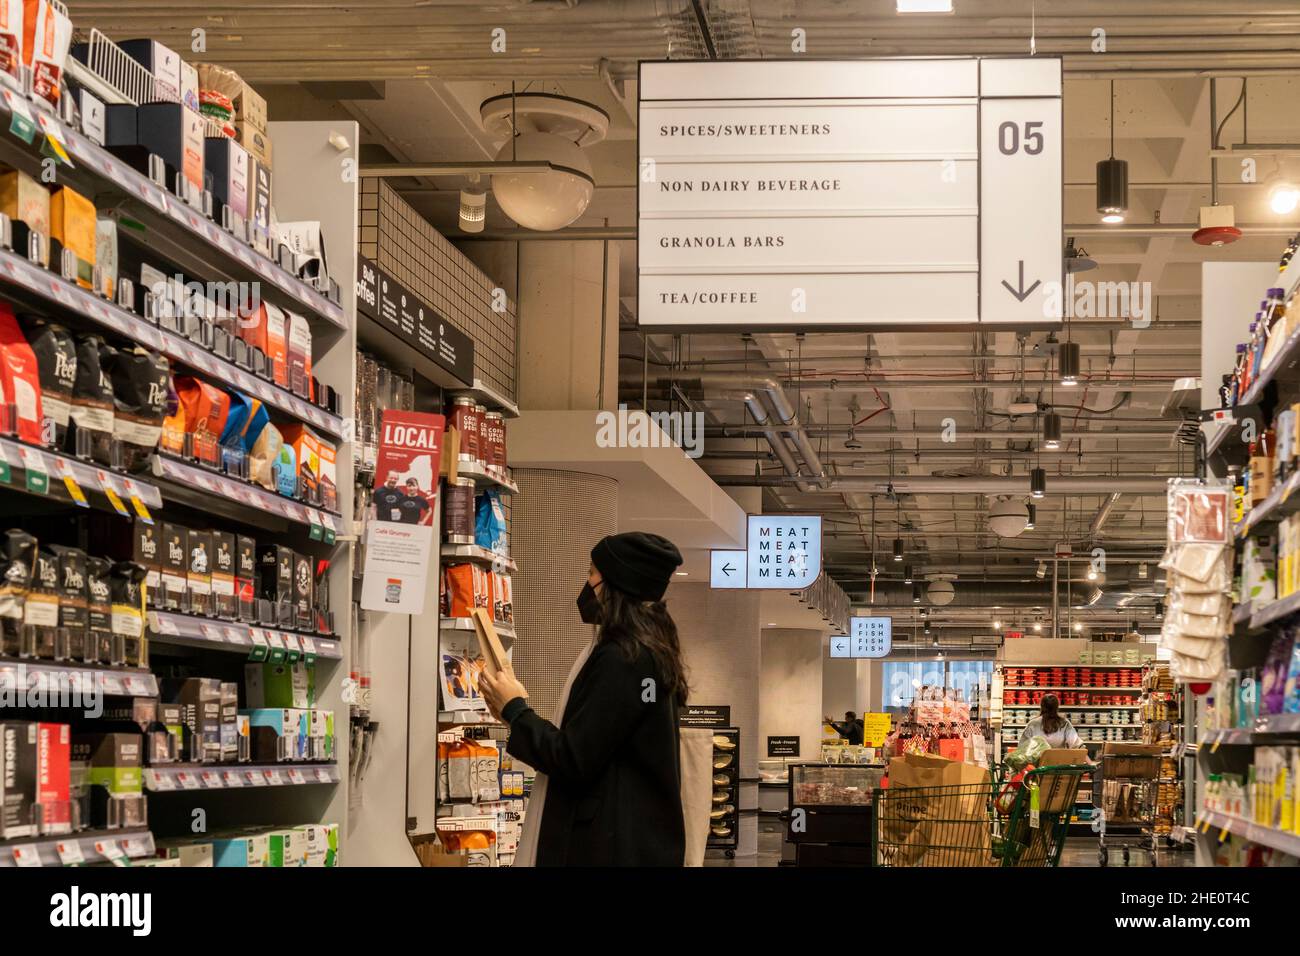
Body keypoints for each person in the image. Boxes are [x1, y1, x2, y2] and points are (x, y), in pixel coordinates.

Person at [479, 532, 688, 866]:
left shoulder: (624, 658)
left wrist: (516, 710)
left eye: (592, 573)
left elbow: (575, 758)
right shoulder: (651, 653)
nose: (586, 583)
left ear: (616, 583)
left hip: (607, 846)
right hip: (635, 843)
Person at [1018, 694, 1085, 749]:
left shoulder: (1033, 723)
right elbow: (1076, 744)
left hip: (1038, 764)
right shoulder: (1064, 723)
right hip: (1059, 762)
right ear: (1057, 707)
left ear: (1041, 706)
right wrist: (1090, 763)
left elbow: (1022, 747)